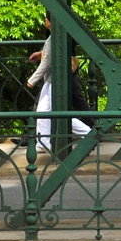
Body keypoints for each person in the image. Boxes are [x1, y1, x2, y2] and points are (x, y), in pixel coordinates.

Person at [27, 15, 92, 151]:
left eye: (47, 18)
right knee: (42, 111)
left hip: (55, 80)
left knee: (57, 112)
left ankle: (89, 134)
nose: (45, 20)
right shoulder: (56, 36)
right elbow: (50, 54)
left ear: (52, 22)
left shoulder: (54, 38)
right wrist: (41, 53)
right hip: (53, 79)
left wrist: (32, 80)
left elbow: (46, 62)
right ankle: (43, 143)